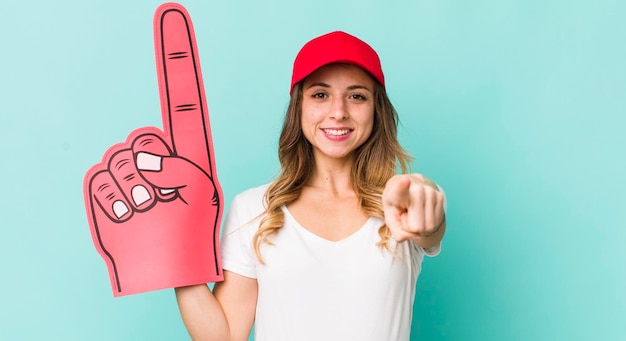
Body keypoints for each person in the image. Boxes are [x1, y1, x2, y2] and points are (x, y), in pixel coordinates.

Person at [175, 30, 447, 341]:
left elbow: (430, 227)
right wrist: (175, 254)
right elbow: (222, 338)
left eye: (357, 96)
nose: (338, 112)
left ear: (376, 110)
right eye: (320, 94)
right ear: (299, 107)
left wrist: (427, 202)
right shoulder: (253, 209)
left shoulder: (402, 205)